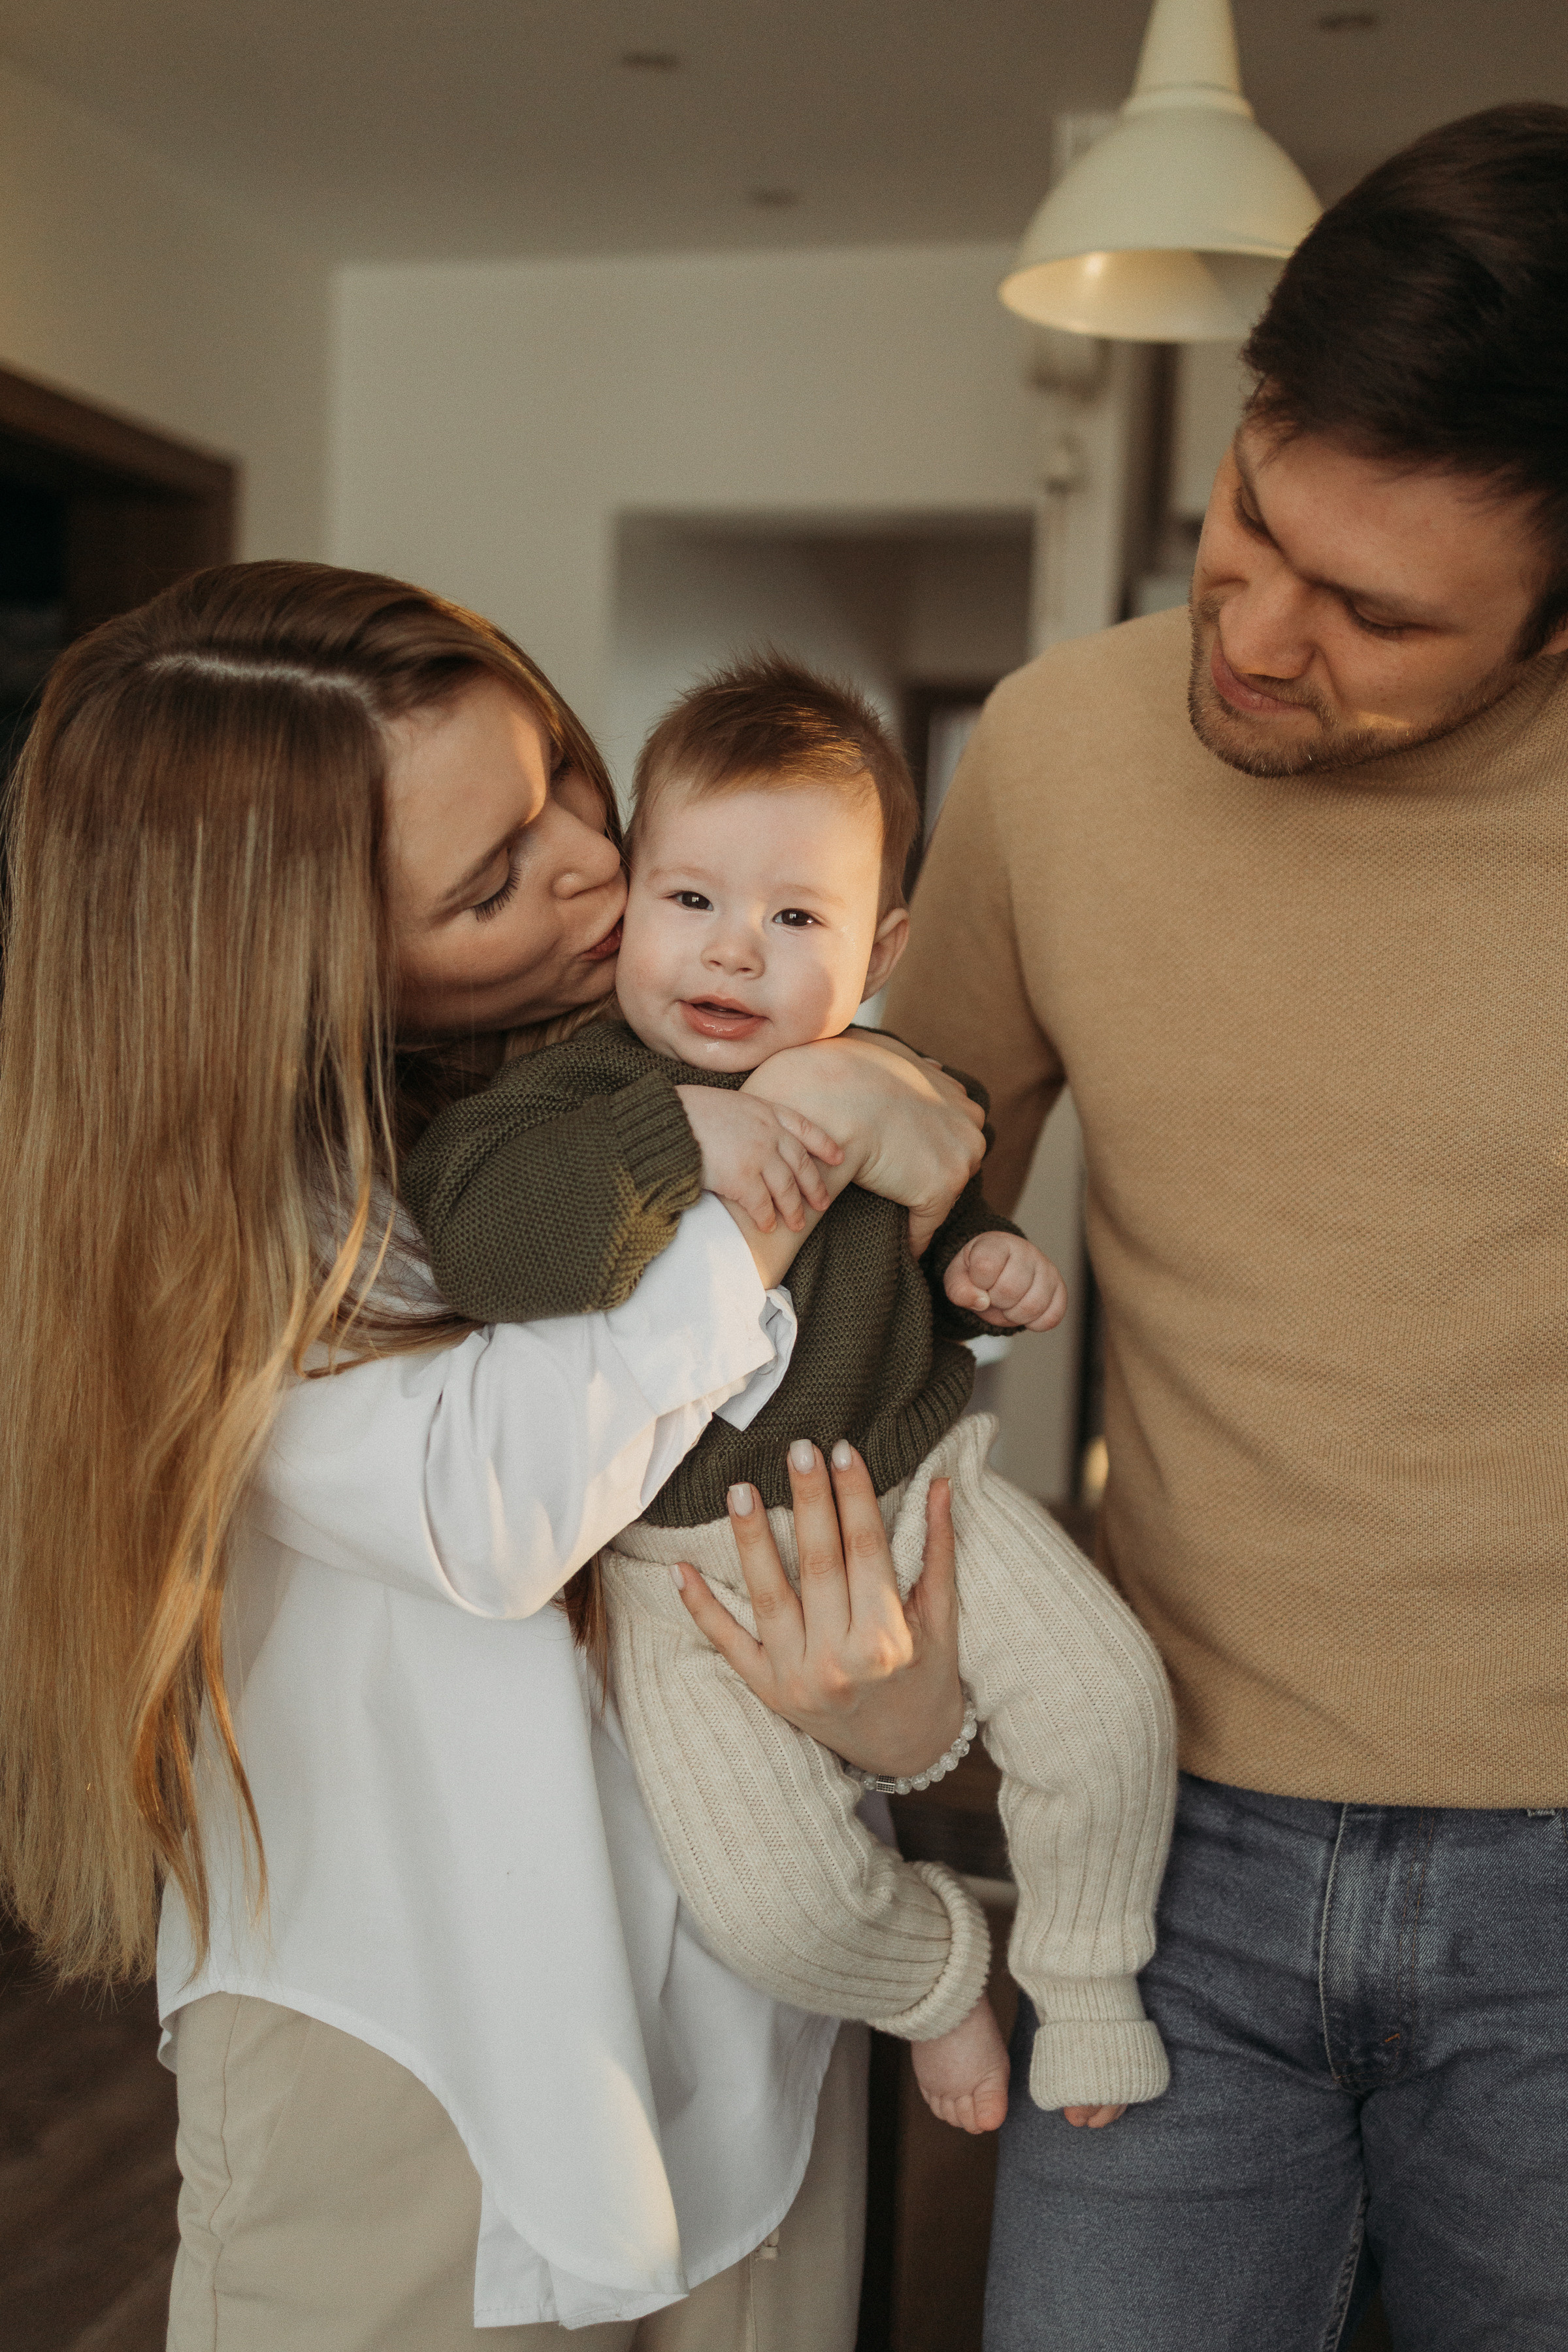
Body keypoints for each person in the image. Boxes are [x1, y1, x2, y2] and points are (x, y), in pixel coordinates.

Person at [0, 561, 990, 2352]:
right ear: (296, 958)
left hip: (752, 2025)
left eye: (559, 783)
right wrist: (798, 1146)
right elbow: (494, 1507)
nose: (599, 873)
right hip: (428, 2068)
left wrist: (898, 1717)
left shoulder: (630, 1057)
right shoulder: (214, 1230)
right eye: (490, 881)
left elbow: (850, 1478)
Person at [885, 103, 1568, 2352]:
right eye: (1251, 523)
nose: (1259, 640)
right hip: (1153, 1858)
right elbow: (883, 1224)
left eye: (1378, 614)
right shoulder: (1062, 754)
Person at [400, 654, 1177, 2140]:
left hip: (912, 1487)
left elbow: (938, 1228)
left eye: (797, 919)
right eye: (690, 900)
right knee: (772, 1906)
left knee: (1112, 1712)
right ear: (628, 893)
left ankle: (1085, 1980)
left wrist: (991, 1266)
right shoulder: (572, 1098)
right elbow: (491, 1246)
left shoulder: (891, 1073)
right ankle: (942, 1974)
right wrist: (677, 1127)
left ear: (879, 944)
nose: (734, 955)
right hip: (682, 1572)